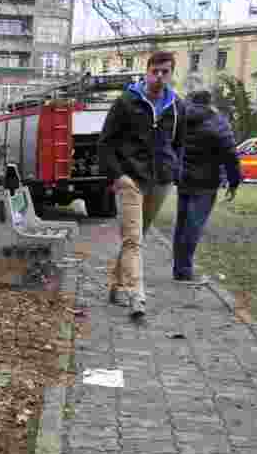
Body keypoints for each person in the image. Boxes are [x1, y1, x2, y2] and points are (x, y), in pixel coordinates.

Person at [98, 51, 187, 319]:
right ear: (146, 71)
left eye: (165, 72)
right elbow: (105, 143)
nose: (159, 76)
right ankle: (137, 295)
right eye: (155, 71)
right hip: (130, 180)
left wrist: (175, 170)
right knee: (133, 240)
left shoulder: (176, 106)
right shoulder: (126, 102)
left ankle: (116, 285)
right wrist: (118, 176)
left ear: (171, 74)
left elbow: (179, 143)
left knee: (134, 238)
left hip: (160, 181)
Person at [173, 89, 241, 283]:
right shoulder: (218, 122)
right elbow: (230, 155)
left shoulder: (181, 118)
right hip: (207, 182)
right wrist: (234, 182)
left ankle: (179, 269)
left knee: (182, 224)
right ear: (210, 102)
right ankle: (184, 270)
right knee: (194, 226)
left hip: (184, 179)